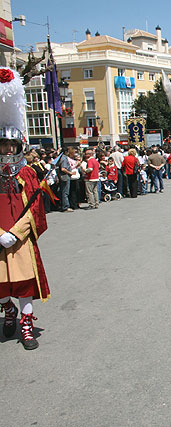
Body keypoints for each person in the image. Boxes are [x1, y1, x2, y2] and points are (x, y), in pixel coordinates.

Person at [0, 67, 50, 350]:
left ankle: (26, 324)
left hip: (18, 239)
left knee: (24, 284)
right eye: (2, 145)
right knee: (1, 289)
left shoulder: (28, 173)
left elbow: (35, 211)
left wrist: (15, 233)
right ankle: (8, 311)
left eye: (11, 145)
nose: (7, 150)